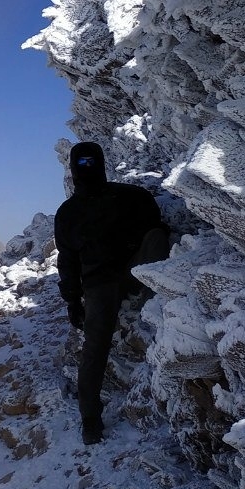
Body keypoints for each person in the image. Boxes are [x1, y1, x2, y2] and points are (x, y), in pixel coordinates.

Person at [54, 142, 169, 445]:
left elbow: (67, 262)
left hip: (100, 287)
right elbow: (156, 230)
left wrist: (73, 301)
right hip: (128, 276)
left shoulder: (68, 213)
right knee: (157, 238)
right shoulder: (132, 197)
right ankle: (154, 292)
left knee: (95, 349)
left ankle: (90, 422)